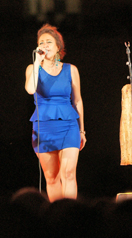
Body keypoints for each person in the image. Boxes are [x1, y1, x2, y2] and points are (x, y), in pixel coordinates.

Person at [24, 24, 86, 202]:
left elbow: (78, 101)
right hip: (44, 126)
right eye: (41, 42)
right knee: (51, 178)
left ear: (58, 46)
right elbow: (30, 89)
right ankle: (57, 216)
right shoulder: (32, 69)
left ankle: (71, 214)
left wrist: (82, 130)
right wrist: (37, 62)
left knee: (68, 173)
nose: (44, 45)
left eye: (49, 42)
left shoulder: (71, 69)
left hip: (68, 125)